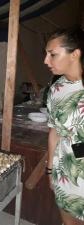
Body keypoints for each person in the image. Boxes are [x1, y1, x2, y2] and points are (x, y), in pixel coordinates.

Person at [44, 27, 84, 224]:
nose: (46, 61)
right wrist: (51, 170)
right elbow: (54, 132)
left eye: (52, 55)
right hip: (65, 172)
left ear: (75, 54)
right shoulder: (57, 89)